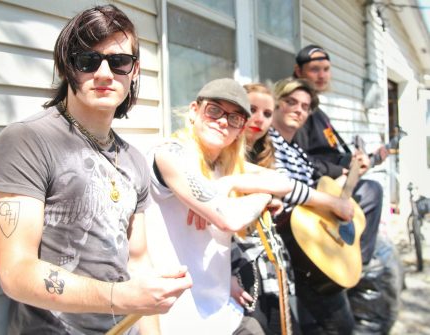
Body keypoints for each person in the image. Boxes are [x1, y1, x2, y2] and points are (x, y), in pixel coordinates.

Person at [0, 5, 192, 335]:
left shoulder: (134, 159)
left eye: (119, 61)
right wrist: (119, 297)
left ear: (134, 70)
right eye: (88, 60)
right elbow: (16, 271)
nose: (105, 73)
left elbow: (138, 262)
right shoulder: (27, 140)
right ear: (67, 67)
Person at [145, 78, 312, 335]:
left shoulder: (225, 166)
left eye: (234, 118)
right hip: (177, 319)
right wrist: (265, 197)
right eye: (214, 110)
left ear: (240, 129)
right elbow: (229, 219)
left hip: (221, 311)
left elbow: (284, 183)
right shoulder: (170, 153)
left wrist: (232, 182)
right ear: (194, 111)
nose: (223, 121)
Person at [231, 80, 355, 335]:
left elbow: (303, 185)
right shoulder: (235, 152)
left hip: (279, 254)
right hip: (260, 253)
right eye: (251, 109)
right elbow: (283, 186)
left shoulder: (282, 149)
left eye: (265, 113)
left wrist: (350, 176)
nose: (259, 119)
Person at [292, 44, 386, 266]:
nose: (322, 75)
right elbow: (301, 159)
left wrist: (357, 162)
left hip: (338, 180)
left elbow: (329, 153)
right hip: (317, 188)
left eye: (326, 69)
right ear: (298, 71)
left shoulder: (319, 113)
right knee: (372, 190)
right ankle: (357, 265)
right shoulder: (299, 111)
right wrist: (342, 169)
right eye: (315, 69)